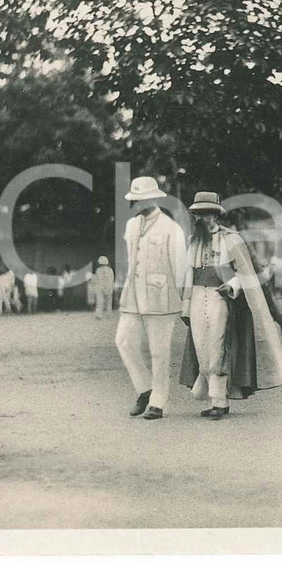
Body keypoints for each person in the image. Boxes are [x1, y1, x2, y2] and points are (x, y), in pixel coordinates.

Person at [178, 191, 282, 420]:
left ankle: (219, 402)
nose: (202, 218)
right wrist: (186, 305)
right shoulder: (193, 242)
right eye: (198, 214)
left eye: (207, 213)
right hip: (197, 297)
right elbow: (188, 275)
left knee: (218, 348)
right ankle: (216, 399)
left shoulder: (231, 239)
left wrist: (231, 286)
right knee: (201, 349)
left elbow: (245, 273)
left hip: (220, 300)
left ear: (215, 215)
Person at [114, 176, 186, 420]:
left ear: (154, 198)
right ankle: (145, 389)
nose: (137, 203)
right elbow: (130, 259)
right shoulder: (131, 225)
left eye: (142, 199)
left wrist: (182, 299)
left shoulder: (171, 228)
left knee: (159, 352)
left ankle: (158, 401)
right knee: (123, 341)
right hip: (133, 296)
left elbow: (180, 267)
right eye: (135, 199)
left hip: (161, 297)